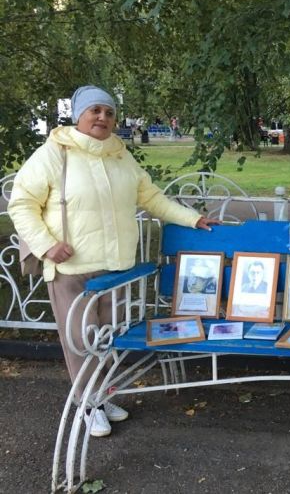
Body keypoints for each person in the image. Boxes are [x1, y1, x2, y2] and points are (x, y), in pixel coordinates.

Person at [8, 85, 218, 438]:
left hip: (117, 268)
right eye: (95, 111)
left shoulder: (120, 156)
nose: (102, 118)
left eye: (108, 112)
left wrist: (192, 219)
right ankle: (88, 407)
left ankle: (101, 398)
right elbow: (21, 203)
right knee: (79, 341)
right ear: (79, 115)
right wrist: (46, 245)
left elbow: (152, 199)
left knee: (106, 340)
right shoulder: (53, 154)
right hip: (72, 269)